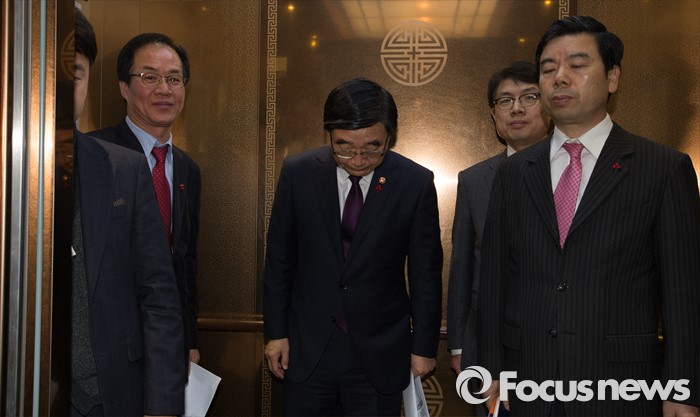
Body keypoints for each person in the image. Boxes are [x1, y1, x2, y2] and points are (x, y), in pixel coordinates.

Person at [477, 15, 700, 417]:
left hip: (621, 387)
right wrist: (491, 368)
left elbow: (684, 294)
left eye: (577, 65)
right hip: (528, 383)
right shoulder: (514, 172)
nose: (559, 78)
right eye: (548, 69)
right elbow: (494, 279)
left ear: (612, 77)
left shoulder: (662, 168)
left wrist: (682, 390)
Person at [263, 77, 443, 416]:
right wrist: (276, 333)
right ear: (329, 134)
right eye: (344, 147)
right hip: (307, 347)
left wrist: (423, 346)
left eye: (372, 148)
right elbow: (280, 260)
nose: (357, 159)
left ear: (390, 136)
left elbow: (425, 273)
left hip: (379, 350)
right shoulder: (299, 172)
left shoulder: (414, 182)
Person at [70, 8, 186, 416]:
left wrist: (164, 403)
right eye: (149, 77)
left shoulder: (121, 167)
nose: (60, 87)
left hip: (109, 391)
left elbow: (160, 291)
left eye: (75, 73)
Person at [89, 33, 202, 365]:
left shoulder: (188, 170)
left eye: (174, 79)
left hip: (167, 339)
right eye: (150, 77)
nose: (164, 89)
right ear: (124, 88)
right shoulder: (94, 155)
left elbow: (185, 262)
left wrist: (189, 339)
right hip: (104, 340)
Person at [446, 61, 550, 413]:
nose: (516, 109)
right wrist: (459, 347)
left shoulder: (575, 171)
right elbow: (462, 267)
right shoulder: (474, 179)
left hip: (557, 341)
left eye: (529, 97)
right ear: (493, 114)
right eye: (505, 101)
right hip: (488, 344)